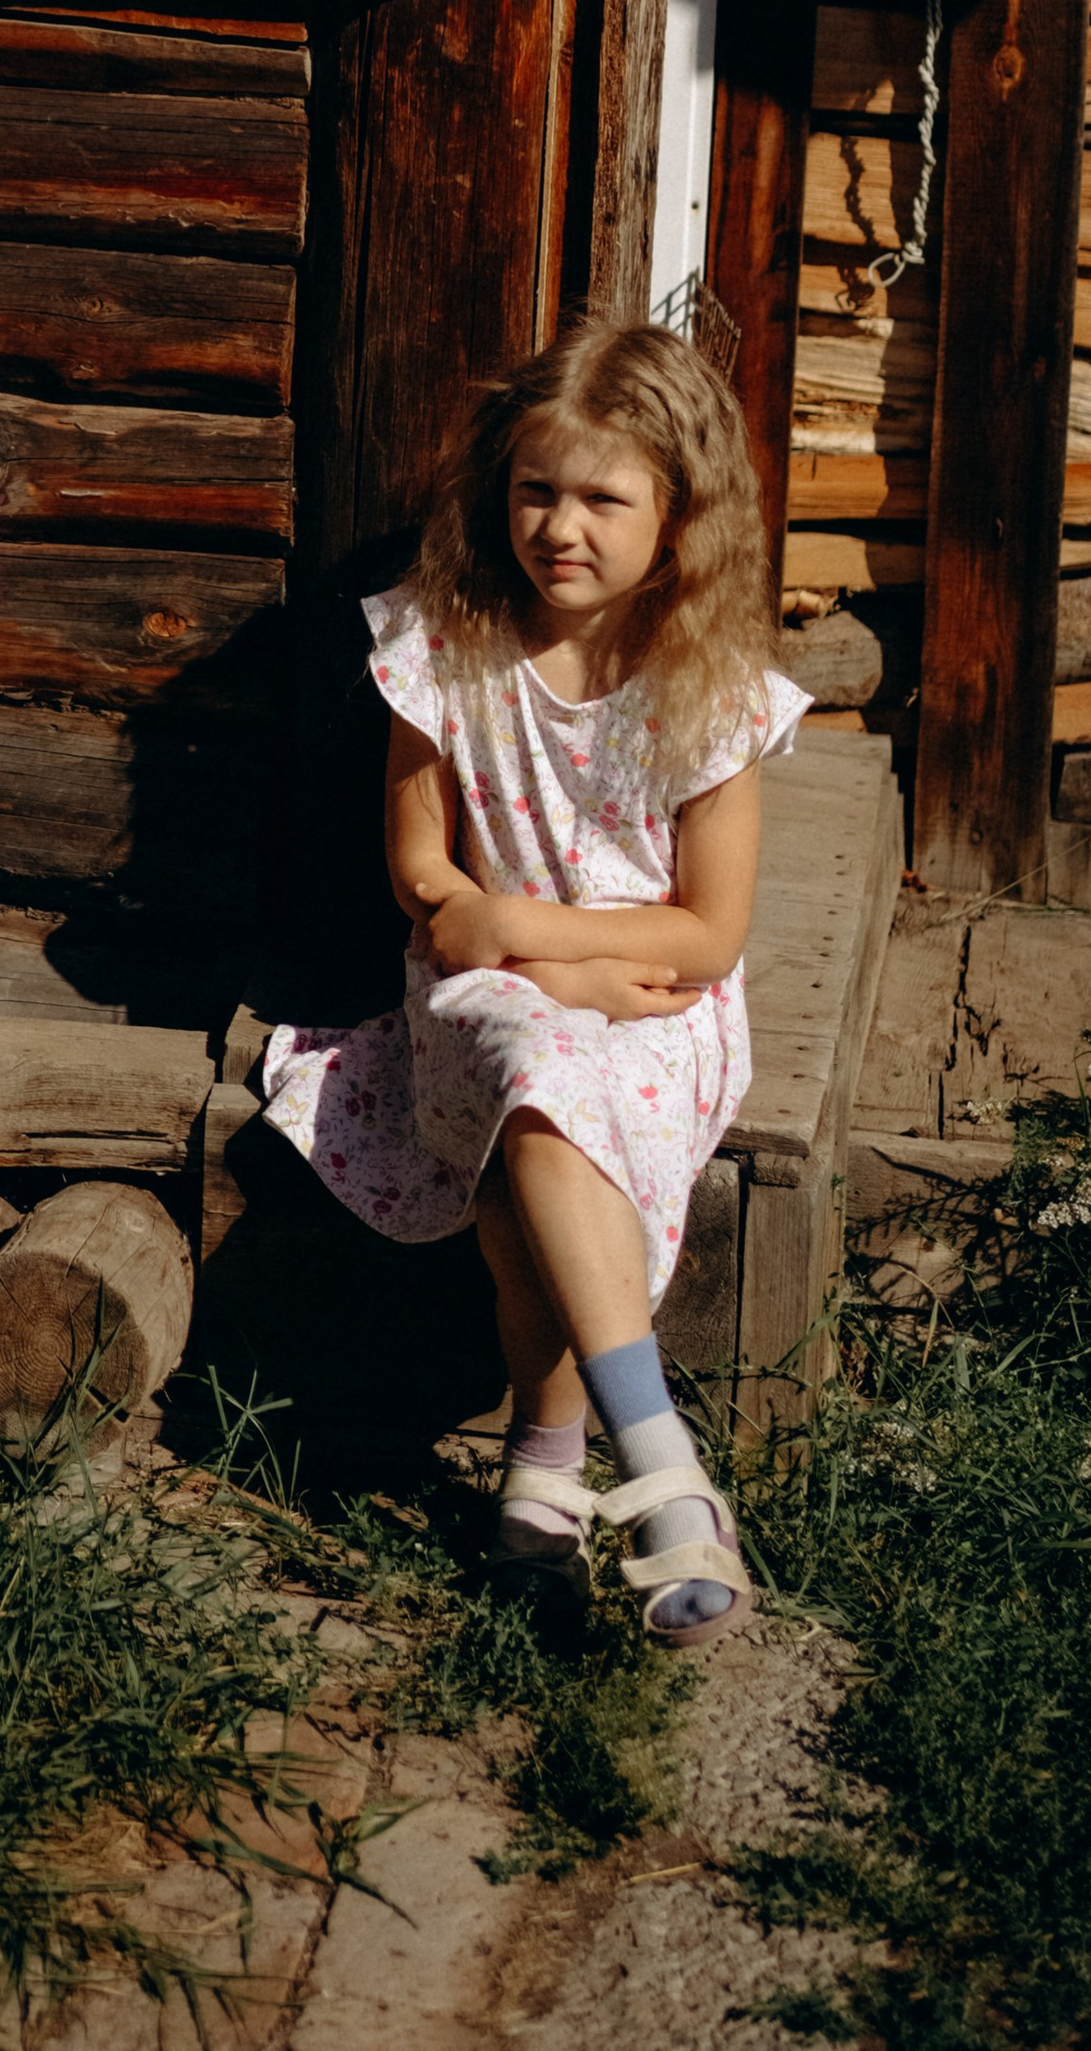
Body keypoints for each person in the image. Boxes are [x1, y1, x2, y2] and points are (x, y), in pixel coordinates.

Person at [261, 320, 802, 1645]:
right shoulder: (445, 649)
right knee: (542, 1077)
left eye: (604, 499)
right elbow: (426, 890)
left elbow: (706, 940)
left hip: (651, 1008)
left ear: (676, 524)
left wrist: (543, 942)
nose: (561, 526)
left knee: (538, 1158)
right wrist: (529, 941)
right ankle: (655, 1468)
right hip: (493, 998)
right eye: (537, 491)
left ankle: (552, 1468)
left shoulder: (710, 691)